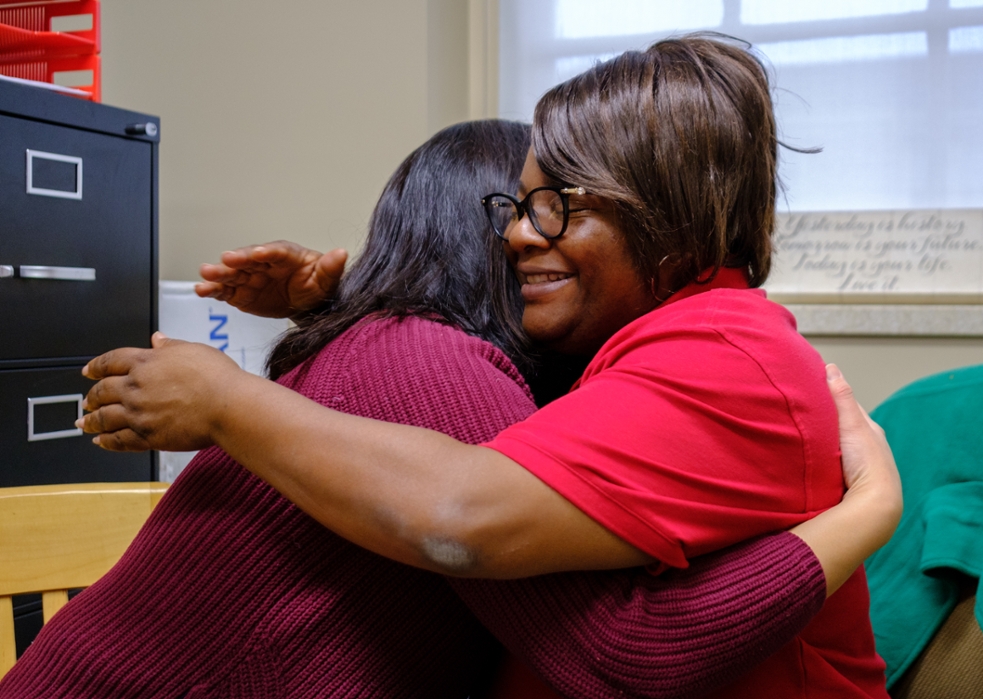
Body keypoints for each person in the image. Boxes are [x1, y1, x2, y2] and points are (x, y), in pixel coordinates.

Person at [74, 34, 899, 697]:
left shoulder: (716, 352)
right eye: (512, 208)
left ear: (666, 212)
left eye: (554, 205)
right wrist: (347, 301)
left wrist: (226, 399)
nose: (513, 236)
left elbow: (466, 515)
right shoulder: (635, 351)